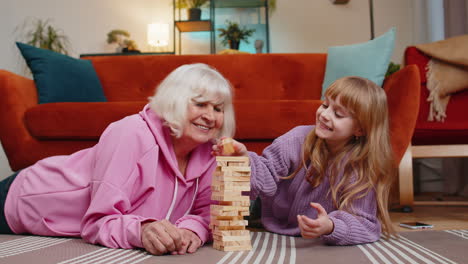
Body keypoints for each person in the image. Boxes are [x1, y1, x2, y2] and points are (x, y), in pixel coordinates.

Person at [0, 63, 235, 255]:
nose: (210, 116)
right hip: (24, 198)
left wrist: (192, 230)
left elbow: (208, 214)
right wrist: (141, 230)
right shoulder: (131, 133)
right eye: (200, 104)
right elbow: (97, 222)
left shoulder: (210, 153)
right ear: (175, 101)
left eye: (218, 108)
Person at [213, 76, 396, 245]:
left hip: (310, 223)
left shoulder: (362, 168)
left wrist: (331, 226)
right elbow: (265, 175)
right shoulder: (296, 139)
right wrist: (244, 161)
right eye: (325, 105)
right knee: (221, 201)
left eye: (338, 114)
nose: (324, 114)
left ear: (360, 130)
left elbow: (365, 224)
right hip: (261, 207)